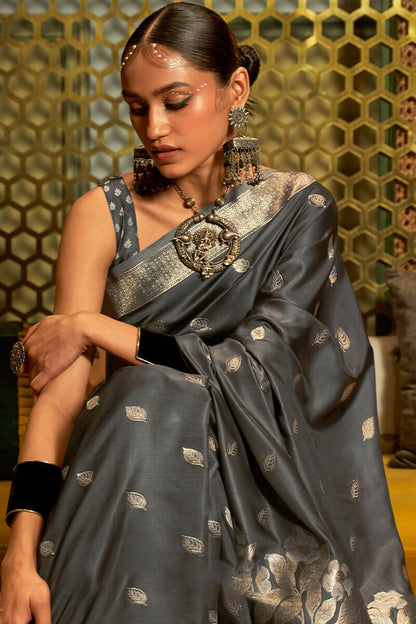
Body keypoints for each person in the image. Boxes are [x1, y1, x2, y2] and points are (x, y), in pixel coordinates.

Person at [1, 3, 415, 623]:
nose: (154, 128)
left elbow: (268, 364)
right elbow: (60, 397)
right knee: (144, 395)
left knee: (152, 389)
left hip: (260, 475)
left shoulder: (296, 209)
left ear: (235, 89)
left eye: (176, 101)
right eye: (136, 107)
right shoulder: (101, 214)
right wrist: (18, 556)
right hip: (136, 465)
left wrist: (94, 327)